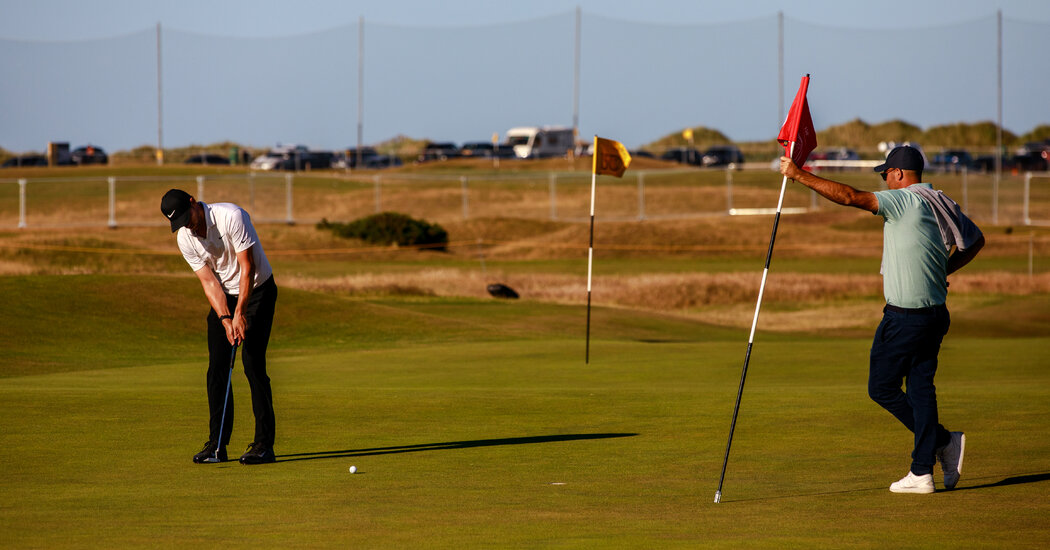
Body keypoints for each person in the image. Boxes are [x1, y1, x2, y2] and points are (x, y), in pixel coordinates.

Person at [779, 145, 984, 493]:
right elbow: (975, 241)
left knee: (882, 387)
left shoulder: (905, 201)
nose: (885, 180)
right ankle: (922, 472)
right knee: (920, 390)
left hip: (905, 318)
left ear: (900, 174)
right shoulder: (939, 200)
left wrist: (798, 175)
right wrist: (942, 270)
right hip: (934, 314)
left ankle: (942, 442)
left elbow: (848, 196)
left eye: (886, 173)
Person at [160, 189, 278, 465]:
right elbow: (208, 282)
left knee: (252, 364)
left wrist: (241, 314)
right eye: (180, 223)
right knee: (217, 369)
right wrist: (226, 319)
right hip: (225, 294)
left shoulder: (231, 217)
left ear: (194, 203)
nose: (189, 226)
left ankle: (263, 445)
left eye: (188, 218)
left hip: (258, 289)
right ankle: (217, 445)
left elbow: (246, 268)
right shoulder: (185, 238)